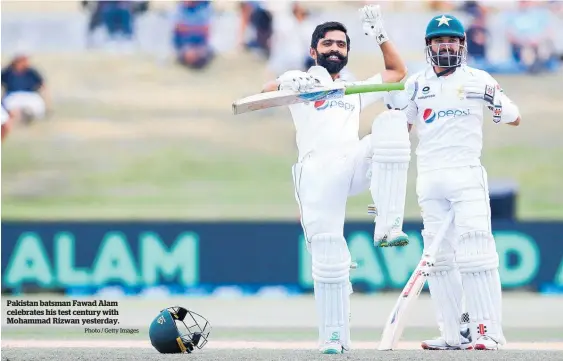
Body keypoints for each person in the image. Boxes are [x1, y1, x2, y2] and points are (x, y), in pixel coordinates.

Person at [260, 5, 408, 354]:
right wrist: (287, 83)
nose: (334, 49)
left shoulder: (353, 88)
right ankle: (333, 337)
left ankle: (388, 223)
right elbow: (265, 91)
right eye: (327, 44)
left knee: (391, 125)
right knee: (329, 257)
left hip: (352, 164)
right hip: (317, 174)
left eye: (341, 45)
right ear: (314, 51)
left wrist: (381, 35)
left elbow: (397, 72)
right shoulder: (301, 81)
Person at [386, 14, 521, 351]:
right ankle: (452, 333)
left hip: (466, 174)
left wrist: (492, 96)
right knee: (439, 260)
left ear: (462, 44)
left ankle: (487, 331)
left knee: (477, 254)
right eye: (438, 40)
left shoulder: (479, 78)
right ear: (429, 46)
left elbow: (514, 117)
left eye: (452, 40)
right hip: (429, 177)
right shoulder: (415, 84)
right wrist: (389, 109)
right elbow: (398, 132)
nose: (445, 45)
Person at [1, 53, 49, 124]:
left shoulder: (32, 72)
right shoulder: (7, 72)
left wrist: (47, 101)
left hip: (30, 95)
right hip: (13, 96)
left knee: (36, 106)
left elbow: (42, 85)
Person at [173, 1, 214, 70]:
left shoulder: (205, 8)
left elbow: (206, 29)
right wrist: (197, 29)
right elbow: (178, 27)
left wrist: (187, 28)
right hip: (186, 42)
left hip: (197, 43)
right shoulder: (180, 7)